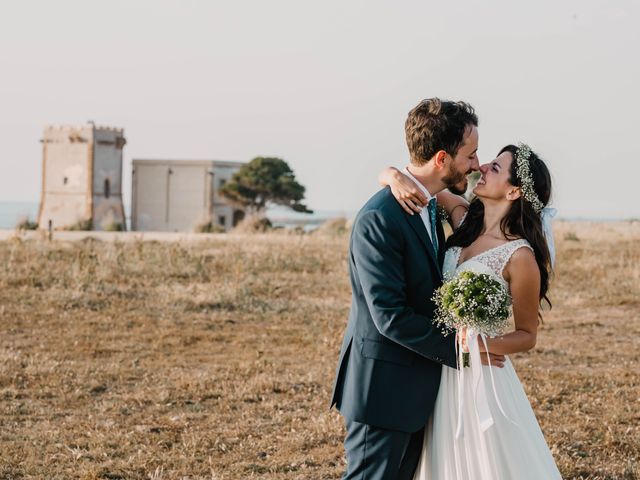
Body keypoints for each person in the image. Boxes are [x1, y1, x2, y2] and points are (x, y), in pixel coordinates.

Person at [330, 98, 505, 480]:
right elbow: (389, 316)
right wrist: (460, 354)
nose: (476, 165)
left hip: (416, 388)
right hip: (382, 390)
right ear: (442, 158)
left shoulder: (428, 202)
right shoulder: (380, 219)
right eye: (470, 155)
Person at [379, 143, 562, 479]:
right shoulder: (462, 218)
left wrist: (481, 345)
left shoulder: (520, 257)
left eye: (495, 167)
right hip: (435, 364)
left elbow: (527, 336)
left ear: (514, 190)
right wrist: (390, 175)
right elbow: (420, 185)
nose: (483, 167)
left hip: (480, 375)